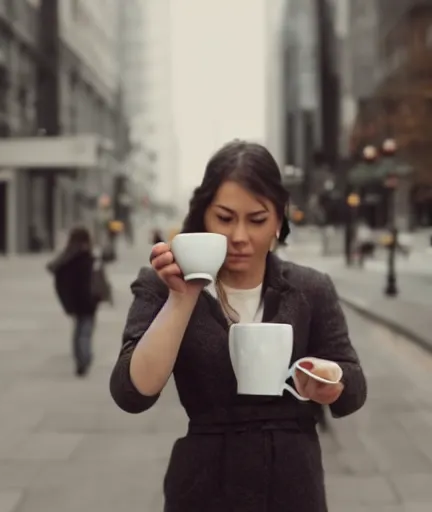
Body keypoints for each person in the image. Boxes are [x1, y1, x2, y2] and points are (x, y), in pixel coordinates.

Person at [109, 140, 367, 512]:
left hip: (292, 486)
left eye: (257, 220)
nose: (240, 237)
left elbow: (354, 388)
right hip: (203, 486)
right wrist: (183, 297)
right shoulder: (161, 284)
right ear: (203, 218)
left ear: (279, 220)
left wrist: (332, 379)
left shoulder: (311, 289)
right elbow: (132, 393)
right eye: (225, 218)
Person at [48, 227, 102, 377]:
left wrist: (67, 302)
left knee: (78, 330)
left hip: (74, 302)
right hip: (88, 302)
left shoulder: (68, 258)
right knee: (85, 331)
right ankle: (84, 359)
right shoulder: (88, 257)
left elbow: (56, 273)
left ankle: (80, 359)